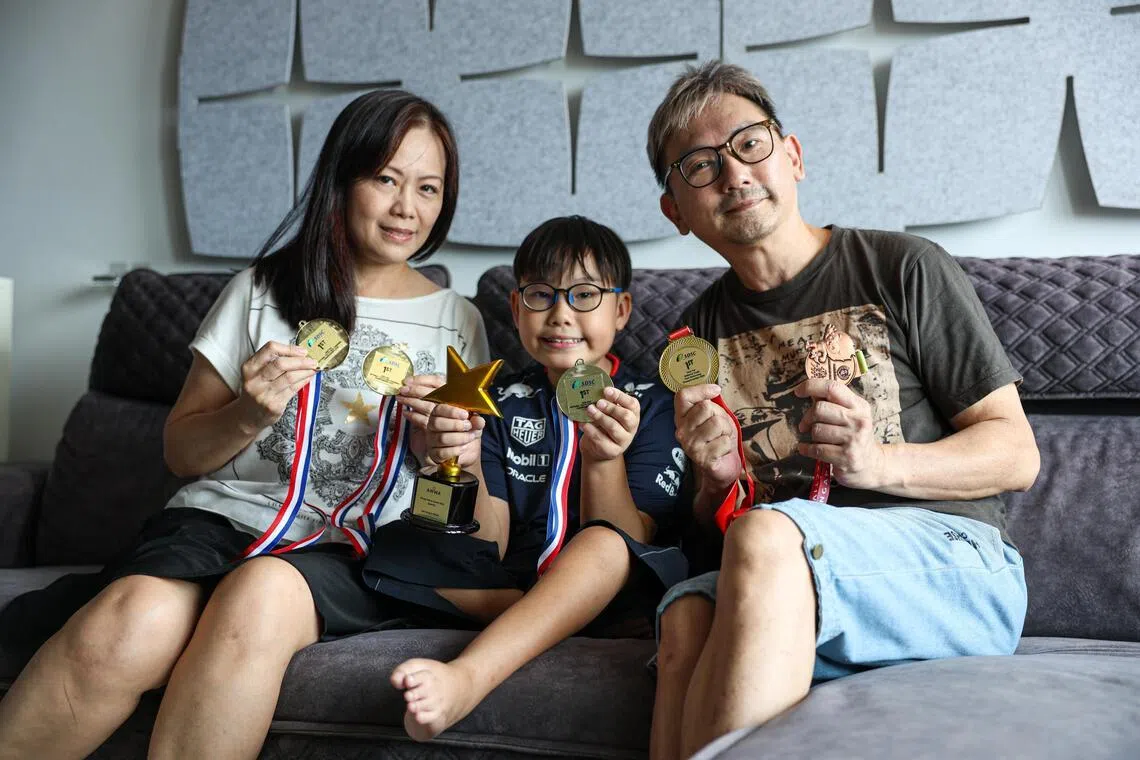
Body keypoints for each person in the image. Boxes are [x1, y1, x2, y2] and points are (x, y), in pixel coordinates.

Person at [0, 89, 488, 760]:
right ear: (343, 179)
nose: (408, 206)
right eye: (386, 179)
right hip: (217, 521)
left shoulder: (458, 321)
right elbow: (180, 451)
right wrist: (248, 412)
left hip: (352, 548)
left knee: (260, 593)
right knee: (131, 622)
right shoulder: (261, 290)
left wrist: (447, 456)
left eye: (429, 188)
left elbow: (465, 514)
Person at [643, 62, 1040, 759]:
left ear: (791, 156)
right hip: (792, 572)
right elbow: (714, 536)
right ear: (675, 210)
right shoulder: (694, 334)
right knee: (685, 615)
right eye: (700, 167)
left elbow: (1016, 455)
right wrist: (714, 482)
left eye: (749, 144)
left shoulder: (902, 267)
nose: (733, 173)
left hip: (956, 567)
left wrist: (874, 460)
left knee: (768, 537)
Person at [362, 215, 689, 742]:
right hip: (512, 579)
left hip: (615, 584)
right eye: (540, 295)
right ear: (515, 309)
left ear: (622, 309)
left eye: (585, 295)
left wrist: (603, 459)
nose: (560, 315)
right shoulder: (496, 399)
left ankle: (468, 676)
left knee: (605, 547)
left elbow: (632, 540)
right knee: (395, 544)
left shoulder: (653, 405)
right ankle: (550, 620)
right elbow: (490, 539)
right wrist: (463, 457)